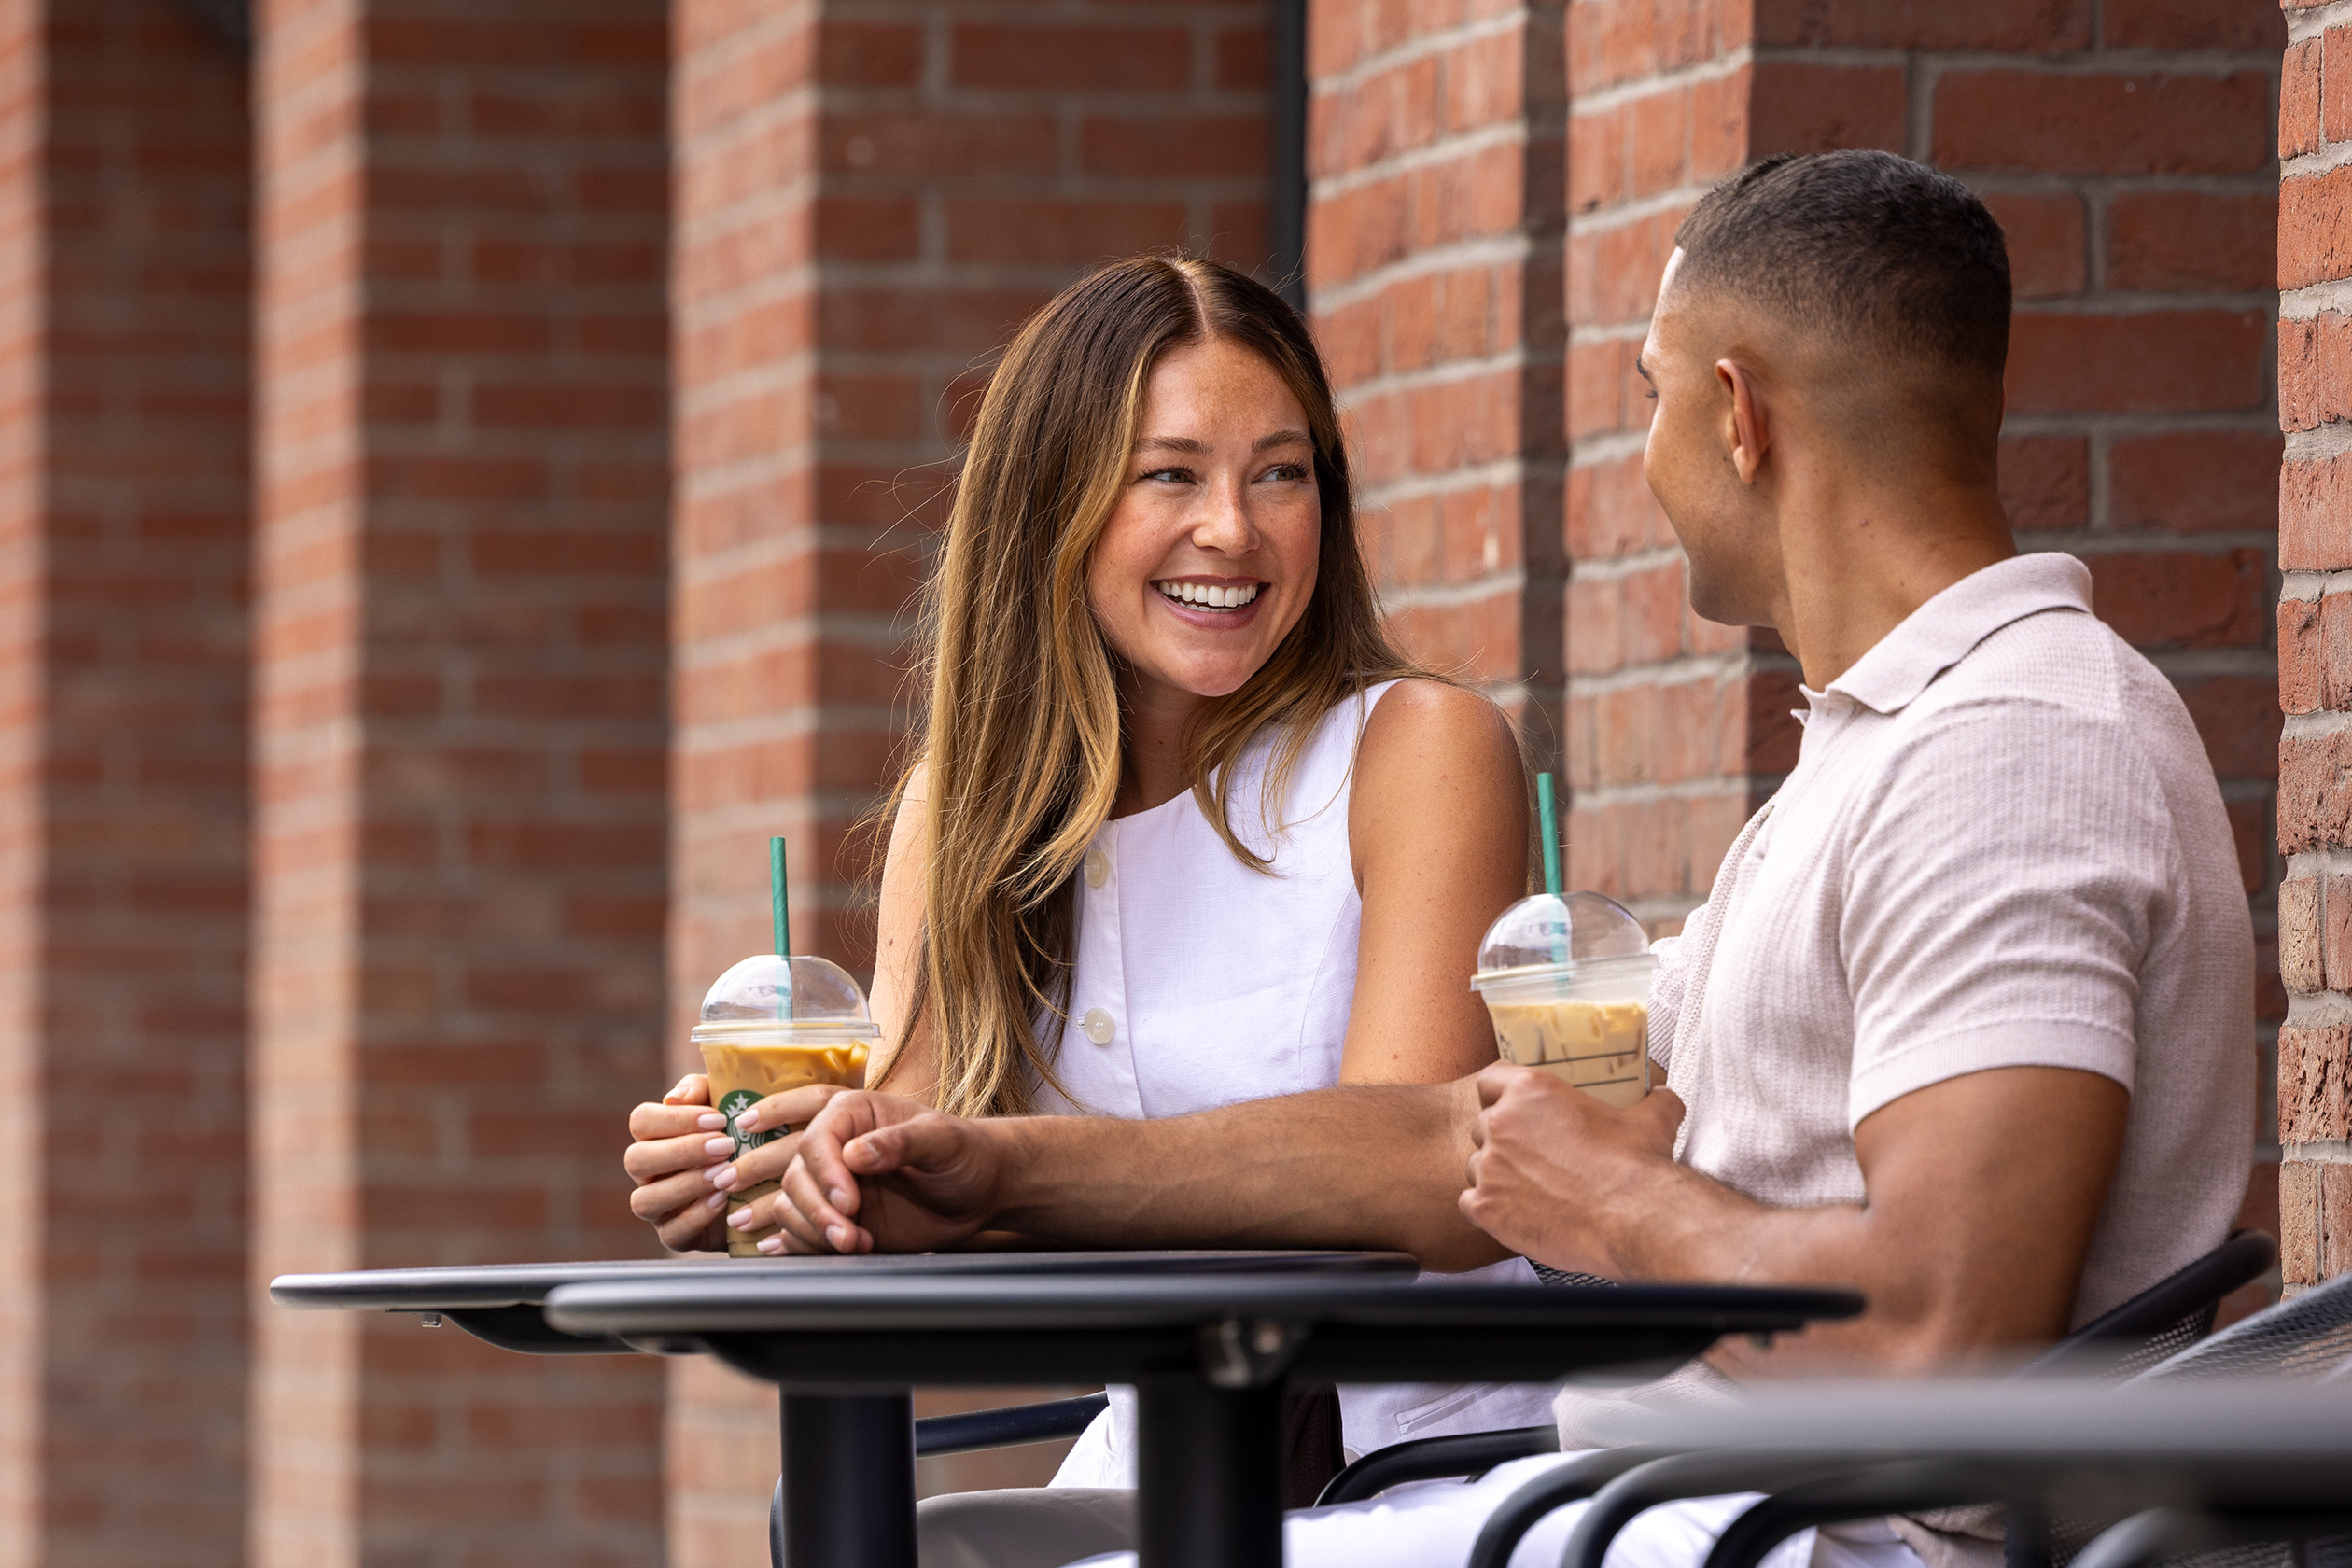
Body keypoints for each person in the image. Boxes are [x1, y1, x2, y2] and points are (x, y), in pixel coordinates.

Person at [766, 152, 2256, 1568]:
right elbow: (1448, 1141)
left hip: (1786, 1524)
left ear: (1738, 419)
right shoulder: (1877, 757)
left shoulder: (2011, 754)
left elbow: (1940, 1336)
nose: (1644, 451)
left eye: (1648, 395)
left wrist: (1612, 1209)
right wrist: (966, 1164)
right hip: (1661, 1493)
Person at [621, 255, 1561, 1488]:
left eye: (1281, 473)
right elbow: (900, 1170)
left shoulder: (1415, 749)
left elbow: (1424, 1176)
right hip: (1158, 1465)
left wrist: (994, 1173)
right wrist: (772, 1185)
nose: (1234, 527)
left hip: (1428, 1468)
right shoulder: (960, 816)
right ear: (1050, 505)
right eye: (1170, 473)